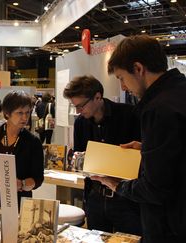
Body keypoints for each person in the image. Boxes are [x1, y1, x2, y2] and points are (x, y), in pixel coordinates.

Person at [94, 35, 186, 242]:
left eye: (121, 78)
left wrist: (117, 185)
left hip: (171, 227)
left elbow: (156, 188)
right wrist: (149, 149)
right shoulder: (179, 92)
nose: (123, 87)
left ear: (138, 68)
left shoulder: (158, 108)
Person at [63, 75, 142, 235]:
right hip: (95, 196)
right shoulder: (81, 123)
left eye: (81, 106)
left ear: (98, 97)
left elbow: (141, 158)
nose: (78, 111)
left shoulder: (130, 115)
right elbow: (81, 157)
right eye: (75, 106)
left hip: (125, 198)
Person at [0, 90, 44, 207]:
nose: (25, 117)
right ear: (7, 114)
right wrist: (0, 182)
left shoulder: (33, 142)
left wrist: (22, 184)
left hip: (17, 203)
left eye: (27, 112)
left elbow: (38, 178)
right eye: (20, 113)